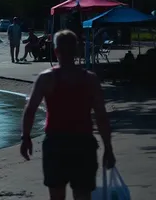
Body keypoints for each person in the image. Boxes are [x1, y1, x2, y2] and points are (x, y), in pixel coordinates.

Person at [20, 30, 115, 200]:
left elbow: (30, 110)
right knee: (83, 193)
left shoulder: (46, 78)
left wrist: (25, 138)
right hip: (83, 143)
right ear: (77, 51)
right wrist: (108, 147)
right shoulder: (90, 79)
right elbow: (101, 116)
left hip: (56, 144)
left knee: (57, 195)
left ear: (56, 52)